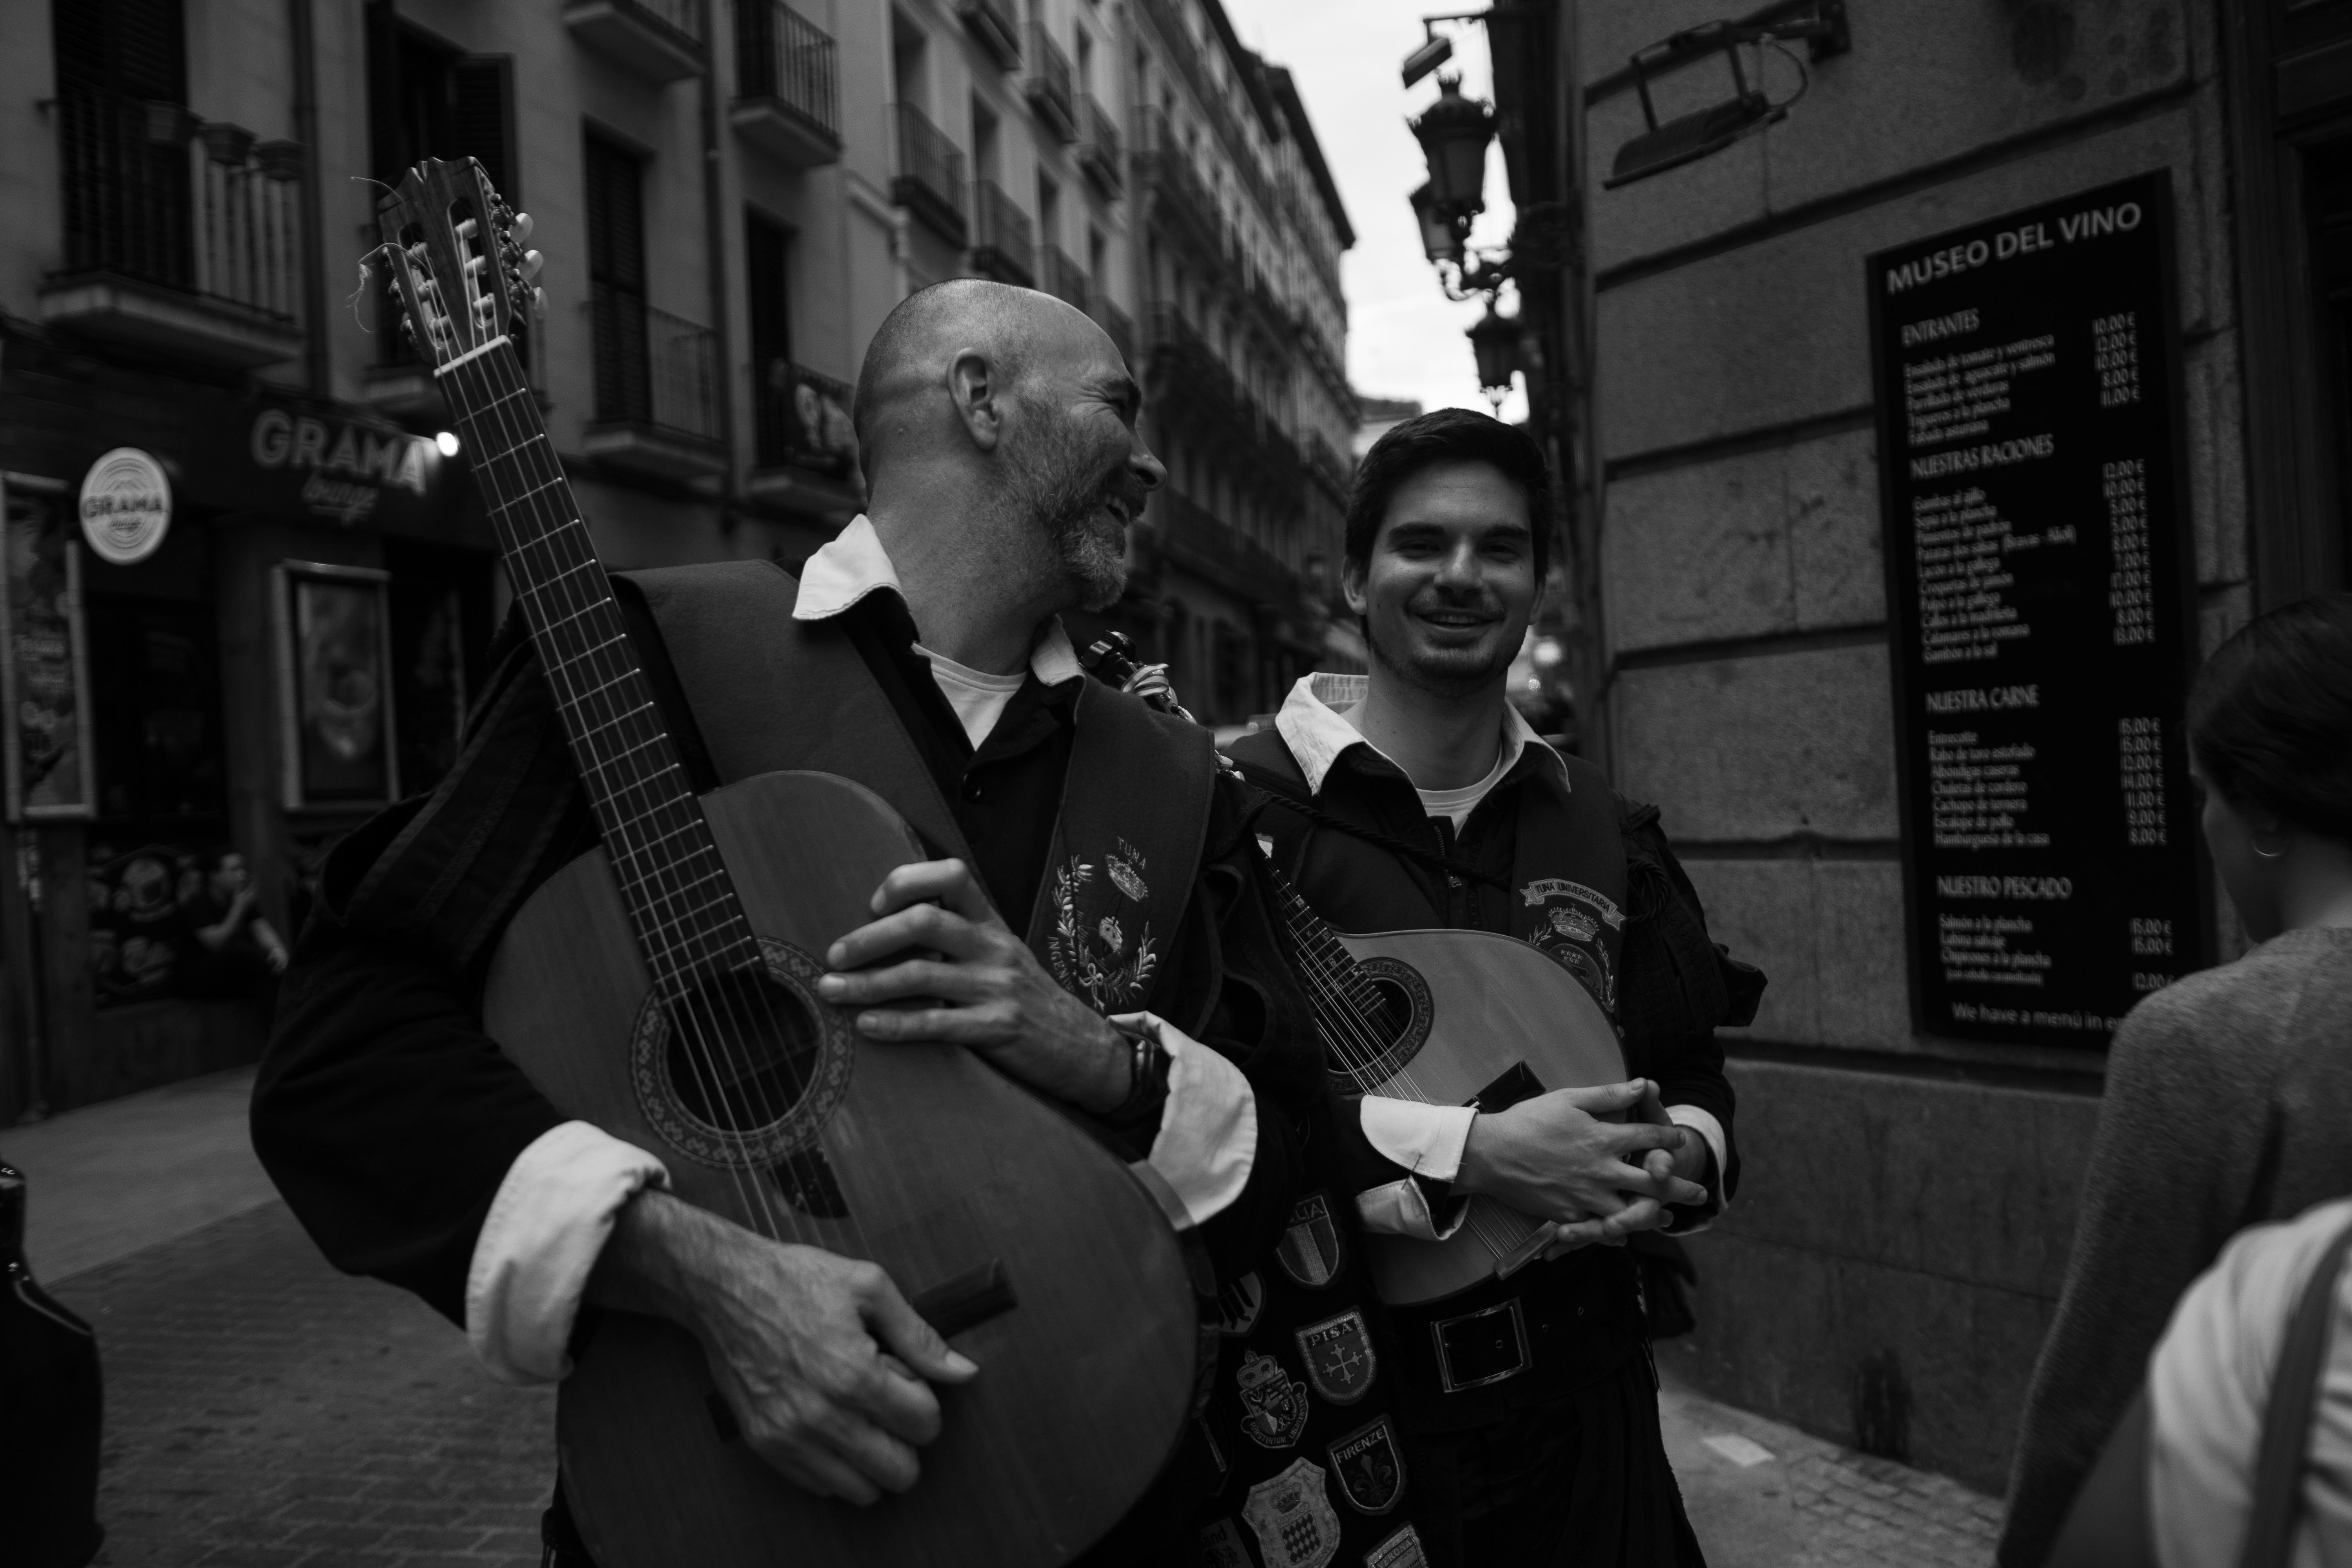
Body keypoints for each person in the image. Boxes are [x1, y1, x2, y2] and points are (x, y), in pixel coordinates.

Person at [252, 281, 1431, 1567]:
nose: (1149, 462)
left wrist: (1099, 1053)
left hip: (1107, 1486)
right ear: (979, 398)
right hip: (724, 1502)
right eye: (1119, 407)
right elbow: (348, 1050)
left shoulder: (1170, 776)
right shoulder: (652, 658)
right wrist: (701, 1274)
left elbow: (1294, 1132)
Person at [1227, 408, 1761, 1568]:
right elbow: (1207, 1109)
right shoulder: (1236, 817)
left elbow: (1694, 1068)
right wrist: (1476, 1151)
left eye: (1499, 549)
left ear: (1538, 585)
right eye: (1422, 545)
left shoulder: (1606, 830)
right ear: (1354, 577)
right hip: (1359, 1426)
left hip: (1597, 1412)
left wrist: (1677, 1155)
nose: (1460, 576)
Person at [1999, 591, 2352, 1567]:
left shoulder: (2206, 1039)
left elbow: (2099, 1405)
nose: (2205, 822)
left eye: (2204, 790)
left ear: (2266, 807)